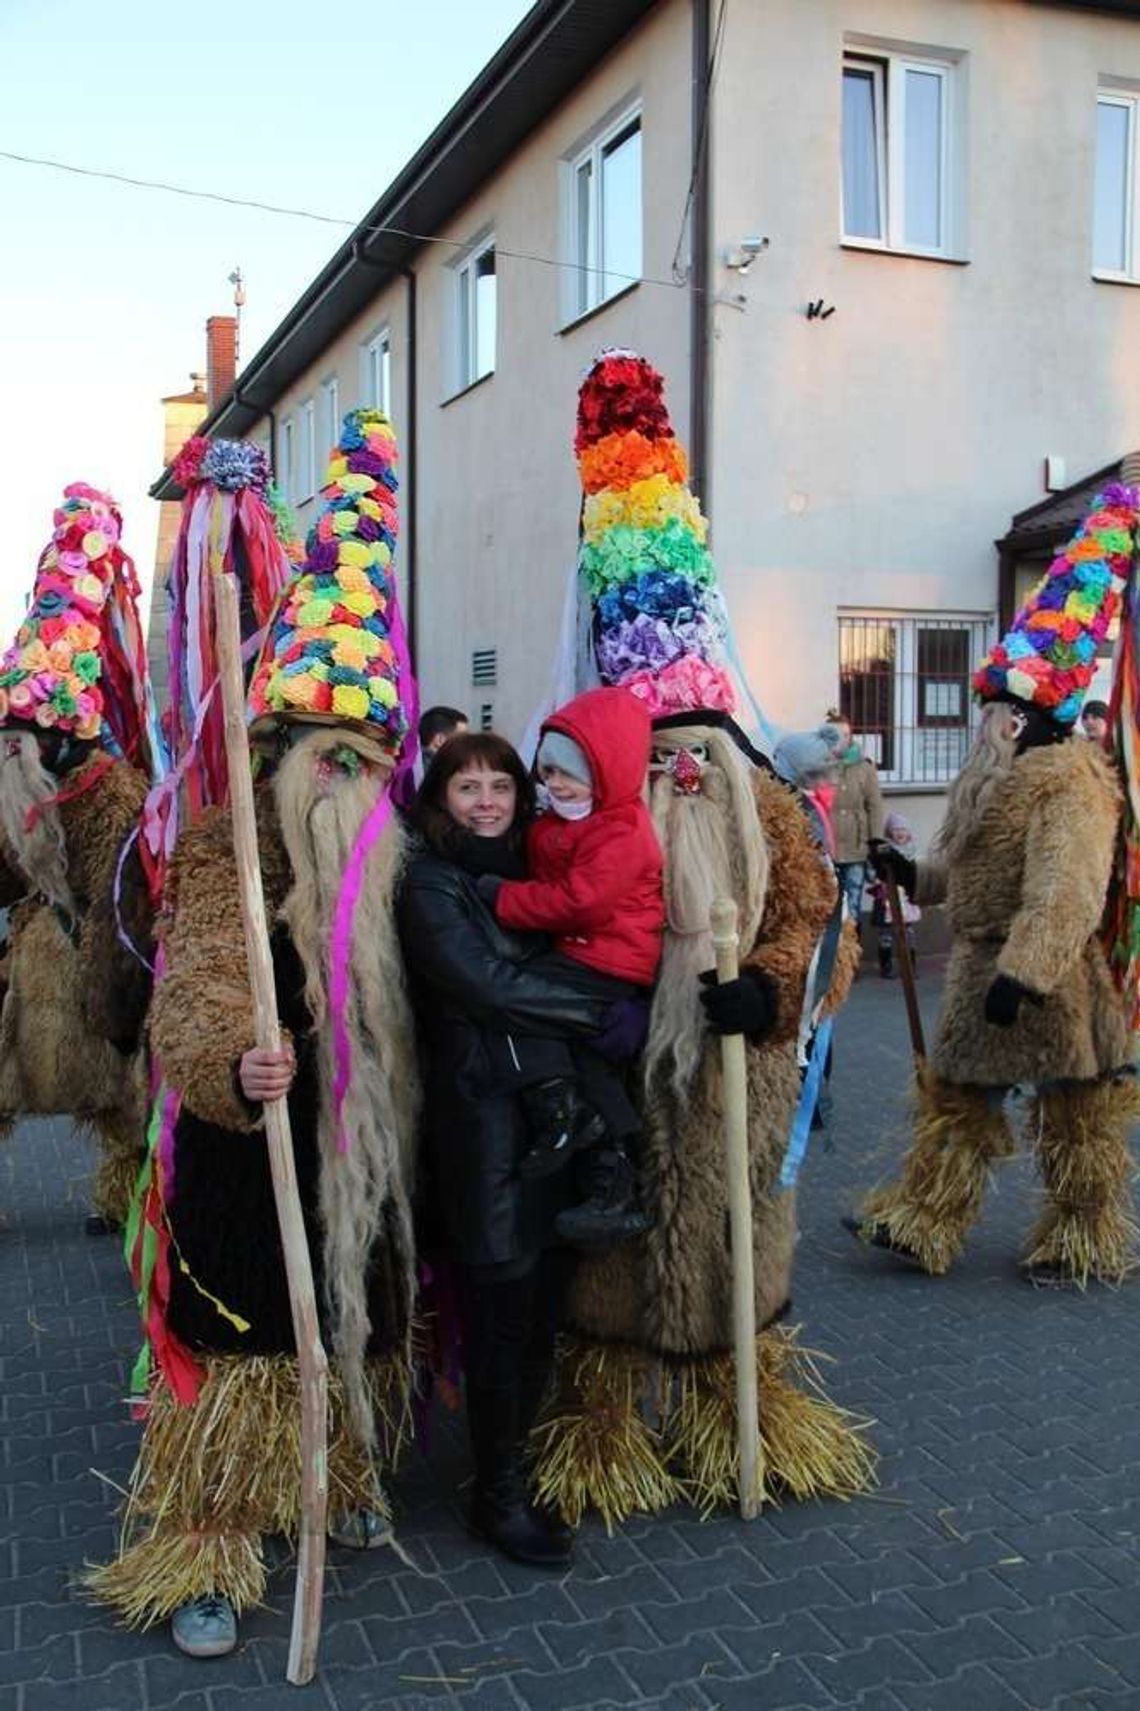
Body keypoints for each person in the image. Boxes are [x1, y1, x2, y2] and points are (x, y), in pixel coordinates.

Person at [87, 409, 419, 1656]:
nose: (342, 777)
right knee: (242, 1343)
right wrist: (239, 1057)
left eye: (363, 755)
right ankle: (206, 1540)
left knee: (354, 1320)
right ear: (274, 750)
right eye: (319, 753)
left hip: (363, 1156)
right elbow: (193, 994)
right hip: (251, 1148)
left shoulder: (399, 853)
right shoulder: (228, 854)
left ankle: (335, 1481)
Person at [529, 350, 873, 1526]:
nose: (682, 763)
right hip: (626, 1081)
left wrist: (771, 994)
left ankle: (745, 1421)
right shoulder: (592, 810)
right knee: (617, 1266)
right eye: (659, 743)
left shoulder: (771, 808)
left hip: (740, 1089)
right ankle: (603, 1439)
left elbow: (820, 936)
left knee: (735, 1255)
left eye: (698, 742)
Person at [846, 480, 1139, 1286]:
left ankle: (1083, 1238)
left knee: (1072, 1118)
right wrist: (916, 875)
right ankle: (921, 1222)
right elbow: (975, 874)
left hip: (1045, 987)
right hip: (987, 973)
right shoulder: (998, 781)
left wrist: (1024, 974)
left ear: (1016, 717)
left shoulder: (1068, 783)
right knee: (959, 1107)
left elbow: (1066, 894)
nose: (981, 724)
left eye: (988, 711)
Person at [397, 731, 630, 1567]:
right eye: (469, 787)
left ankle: (514, 1473)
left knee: (540, 1313)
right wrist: (594, 1013)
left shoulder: (538, 868)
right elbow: (481, 985)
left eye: (501, 784)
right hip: (483, 1123)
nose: (488, 800)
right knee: (501, 1308)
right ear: (441, 798)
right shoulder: (429, 880)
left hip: (555, 1121)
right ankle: (493, 1498)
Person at [0, 483, 161, 1229]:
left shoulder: (111, 790)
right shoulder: (11, 786)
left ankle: (126, 1191)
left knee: (121, 1091)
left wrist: (108, 960)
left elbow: (124, 883)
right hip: (27, 960)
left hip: (88, 957)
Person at [481, 685, 661, 1241]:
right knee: (588, 1059)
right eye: (548, 772)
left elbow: (582, 900)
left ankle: (561, 1109)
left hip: (607, 962)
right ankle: (606, 1166)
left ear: (607, 772)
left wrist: (501, 898)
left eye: (568, 774)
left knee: (512, 1000)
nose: (554, 784)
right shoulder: (562, 823)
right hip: (584, 953)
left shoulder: (623, 830)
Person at [824, 709, 884, 935]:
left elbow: (875, 805)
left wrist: (875, 839)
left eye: (847, 734)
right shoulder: (818, 765)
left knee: (854, 904)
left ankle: (852, 956)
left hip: (856, 847)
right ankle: (831, 961)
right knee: (828, 904)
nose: (843, 739)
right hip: (827, 847)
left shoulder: (864, 767)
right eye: (837, 734)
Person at [868, 811, 922, 979]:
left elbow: (917, 872)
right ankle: (886, 966)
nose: (900, 833)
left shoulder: (912, 851)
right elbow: (872, 871)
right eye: (896, 829)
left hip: (905, 899)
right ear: (889, 831)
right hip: (887, 898)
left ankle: (910, 967)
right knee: (886, 935)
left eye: (903, 829)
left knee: (908, 934)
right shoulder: (884, 849)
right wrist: (877, 878)